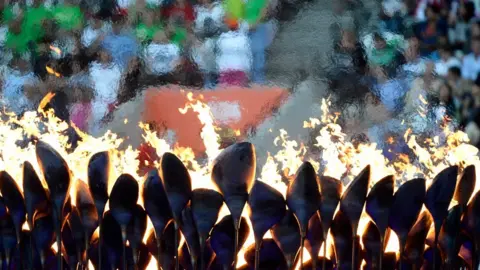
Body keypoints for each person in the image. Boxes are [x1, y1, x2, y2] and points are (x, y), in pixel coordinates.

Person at [89, 50, 122, 134]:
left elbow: (119, 85)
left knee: (111, 132)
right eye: (104, 52)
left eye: (107, 52)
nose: (106, 55)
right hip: (97, 104)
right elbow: (91, 85)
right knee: (96, 130)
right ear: (99, 53)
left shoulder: (116, 68)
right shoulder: (93, 68)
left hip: (112, 103)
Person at [216, 18, 252, 87]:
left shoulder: (222, 38)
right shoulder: (243, 38)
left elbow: (219, 54)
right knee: (238, 92)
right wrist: (248, 69)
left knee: (226, 92)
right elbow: (247, 55)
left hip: (225, 68)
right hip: (239, 68)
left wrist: (218, 68)